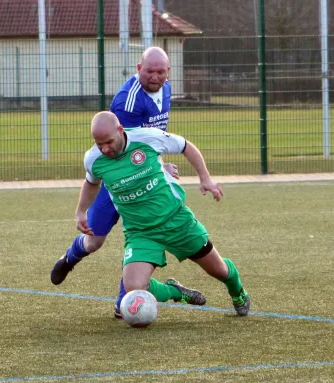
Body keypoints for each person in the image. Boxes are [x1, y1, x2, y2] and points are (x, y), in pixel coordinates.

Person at [73, 111, 250, 316]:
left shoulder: (146, 138)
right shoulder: (93, 159)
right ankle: (175, 291)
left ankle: (237, 290)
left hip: (176, 220)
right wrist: (80, 211)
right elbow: (91, 183)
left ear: (120, 131)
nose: (104, 148)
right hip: (140, 232)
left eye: (108, 142)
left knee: (219, 270)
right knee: (133, 288)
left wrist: (205, 178)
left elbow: (185, 146)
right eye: (99, 143)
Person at [51, 47, 178, 318]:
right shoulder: (127, 103)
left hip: (143, 175)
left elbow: (154, 137)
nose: (155, 77)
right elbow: (123, 150)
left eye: (160, 72)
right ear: (138, 68)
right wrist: (157, 166)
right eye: (149, 71)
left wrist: (158, 163)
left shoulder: (165, 90)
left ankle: (125, 301)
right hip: (119, 176)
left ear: (168, 72)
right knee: (93, 240)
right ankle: (69, 258)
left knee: (139, 232)